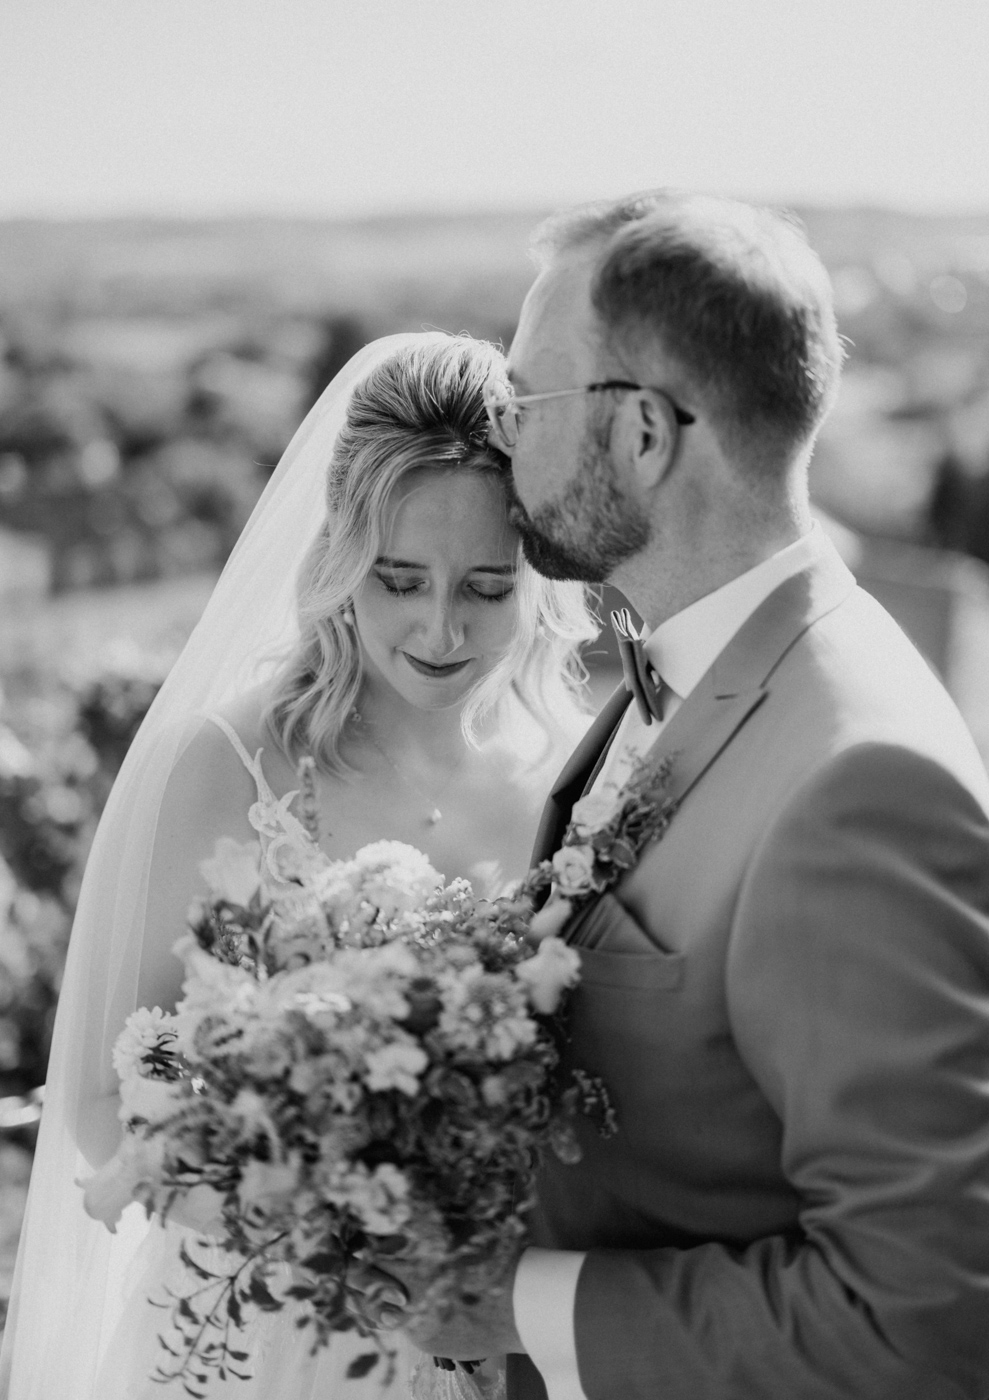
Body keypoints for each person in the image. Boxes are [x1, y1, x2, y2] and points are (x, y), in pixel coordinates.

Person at [404, 195, 989, 1399]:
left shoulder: (863, 788)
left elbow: (914, 1334)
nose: (498, 443)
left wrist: (510, 1300)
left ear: (640, 433)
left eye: (521, 403)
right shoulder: (690, 664)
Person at [0, 331, 596, 1400]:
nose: (441, 626)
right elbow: (99, 1096)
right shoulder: (227, 764)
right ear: (339, 556)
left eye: (488, 586)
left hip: (489, 1346)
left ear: (538, 580)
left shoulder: (570, 773)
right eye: (399, 577)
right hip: (250, 1338)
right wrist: (318, 1228)